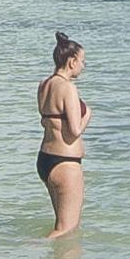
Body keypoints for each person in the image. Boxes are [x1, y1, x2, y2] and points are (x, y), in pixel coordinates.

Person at [36, 32, 90, 238]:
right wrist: (88, 115)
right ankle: (28, 250)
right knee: (67, 228)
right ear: (71, 61)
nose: (83, 66)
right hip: (65, 162)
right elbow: (75, 131)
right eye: (82, 61)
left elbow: (45, 121)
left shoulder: (43, 85)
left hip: (45, 160)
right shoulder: (68, 88)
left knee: (60, 225)